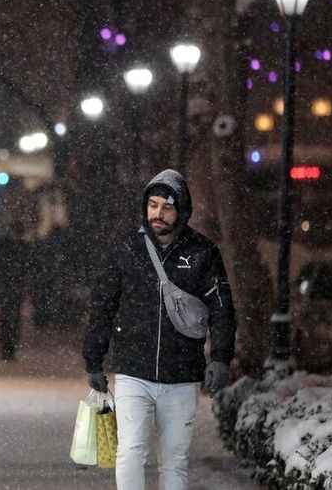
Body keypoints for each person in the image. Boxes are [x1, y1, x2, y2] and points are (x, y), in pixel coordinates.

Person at [82, 169, 236, 490]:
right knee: (131, 452)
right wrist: (93, 359)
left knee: (174, 461)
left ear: (181, 210)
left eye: (166, 207)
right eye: (152, 205)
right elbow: (103, 305)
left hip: (182, 376)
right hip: (133, 372)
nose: (158, 214)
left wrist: (220, 357)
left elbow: (222, 309)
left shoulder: (202, 252)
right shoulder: (127, 248)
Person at [0, 221, 31, 360]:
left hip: (9, 286)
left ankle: (8, 348)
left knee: (10, 317)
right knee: (8, 317)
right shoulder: (18, 247)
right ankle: (7, 348)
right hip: (10, 286)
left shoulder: (4, 246)